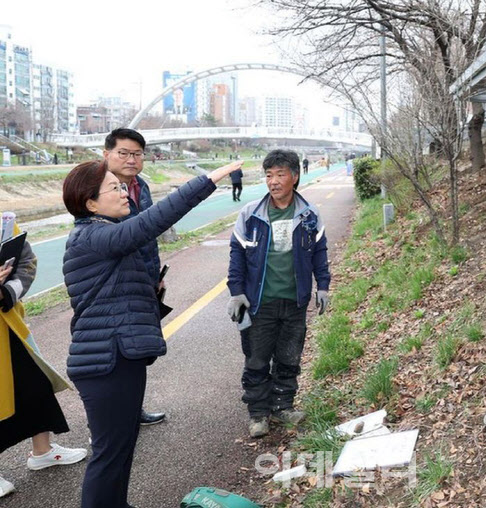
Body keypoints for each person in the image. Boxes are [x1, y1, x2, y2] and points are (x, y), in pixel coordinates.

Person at [62, 158, 242, 508]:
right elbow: (153, 221)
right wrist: (206, 181)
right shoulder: (93, 236)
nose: (124, 192)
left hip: (118, 356)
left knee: (122, 446)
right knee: (109, 453)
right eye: (114, 187)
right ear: (90, 202)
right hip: (106, 361)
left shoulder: (103, 233)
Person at [227, 149, 331, 438]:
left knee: (289, 357)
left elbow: (320, 252)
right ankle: (258, 413)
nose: (273, 181)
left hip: (295, 301)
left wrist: (322, 286)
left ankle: (283, 406)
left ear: (294, 177)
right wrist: (236, 292)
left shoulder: (309, 214)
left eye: (280, 175)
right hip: (260, 302)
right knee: (257, 359)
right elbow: (236, 255)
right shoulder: (250, 214)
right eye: (269, 175)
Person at [0, 224, 87, 499]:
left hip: (9, 322)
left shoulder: (4, 223)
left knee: (34, 383)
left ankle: (43, 451)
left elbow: (26, 261)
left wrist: (5, 293)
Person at [103, 128, 165, 426]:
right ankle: (104, 423)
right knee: (112, 353)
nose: (131, 159)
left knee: (137, 348)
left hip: (143, 279)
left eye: (137, 154)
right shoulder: (97, 188)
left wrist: (156, 273)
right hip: (113, 284)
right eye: (123, 153)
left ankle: (131, 409)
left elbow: (148, 234)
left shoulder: (140, 185)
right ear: (107, 155)